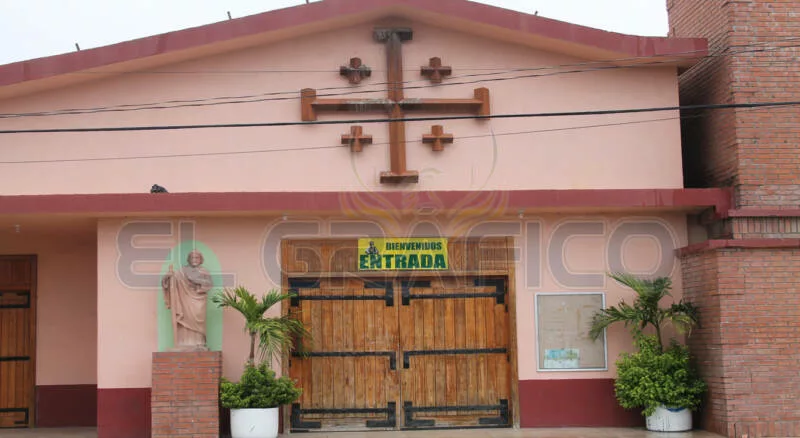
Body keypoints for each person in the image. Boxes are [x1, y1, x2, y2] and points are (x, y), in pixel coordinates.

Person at [161, 249, 213, 350]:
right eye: (192, 257)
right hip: (184, 299)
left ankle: (199, 342)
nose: (195, 259)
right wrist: (168, 277)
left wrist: (196, 281)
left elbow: (208, 284)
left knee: (197, 317)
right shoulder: (182, 271)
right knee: (184, 317)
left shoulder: (204, 272)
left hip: (198, 299)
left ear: (201, 259)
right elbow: (172, 280)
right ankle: (183, 342)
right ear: (189, 259)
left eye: (197, 257)